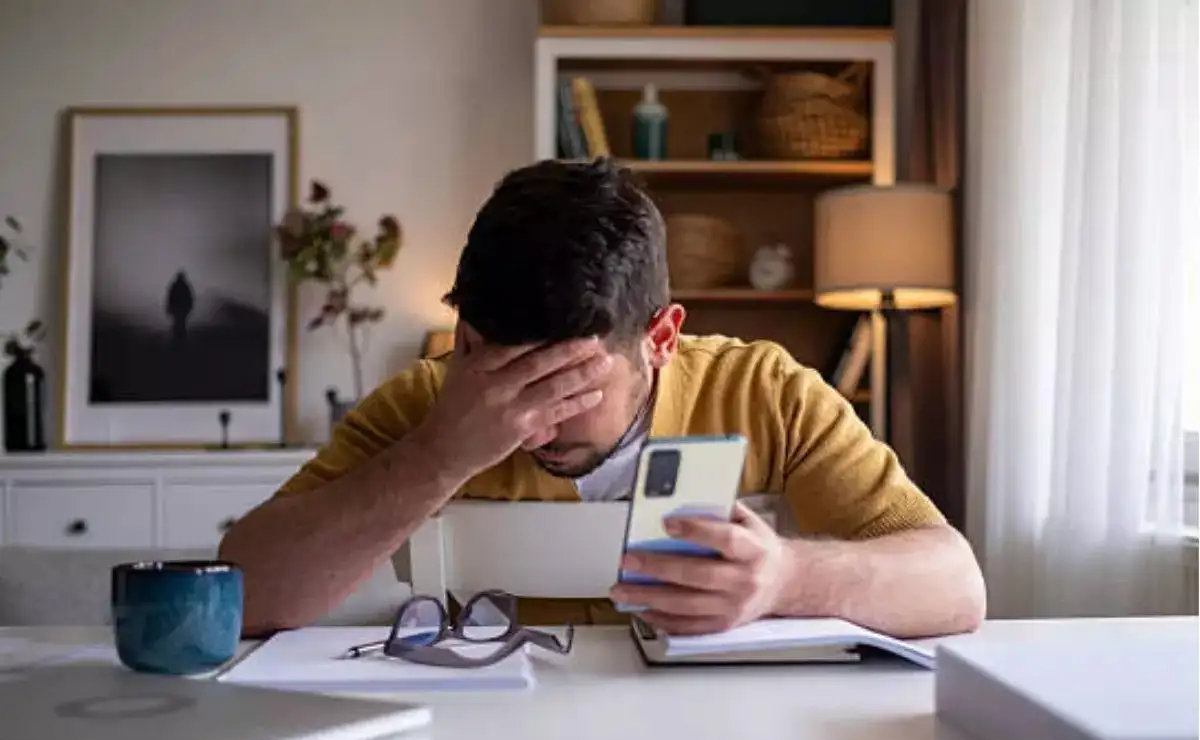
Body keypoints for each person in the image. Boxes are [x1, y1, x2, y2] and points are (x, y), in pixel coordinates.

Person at [219, 158, 986, 639]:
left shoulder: (765, 391)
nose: (522, 420)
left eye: (563, 384)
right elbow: (244, 598)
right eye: (489, 364)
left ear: (660, 339)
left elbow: (954, 587)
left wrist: (788, 577)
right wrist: (439, 454)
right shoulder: (426, 403)